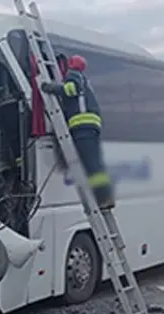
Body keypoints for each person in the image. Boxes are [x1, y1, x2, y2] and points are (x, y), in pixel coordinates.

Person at [40, 53, 114, 209]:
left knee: (91, 164)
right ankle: (104, 196)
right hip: (89, 125)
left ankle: (103, 197)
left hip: (82, 127)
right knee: (94, 163)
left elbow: (71, 89)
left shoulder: (73, 76)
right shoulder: (84, 79)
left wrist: (51, 88)